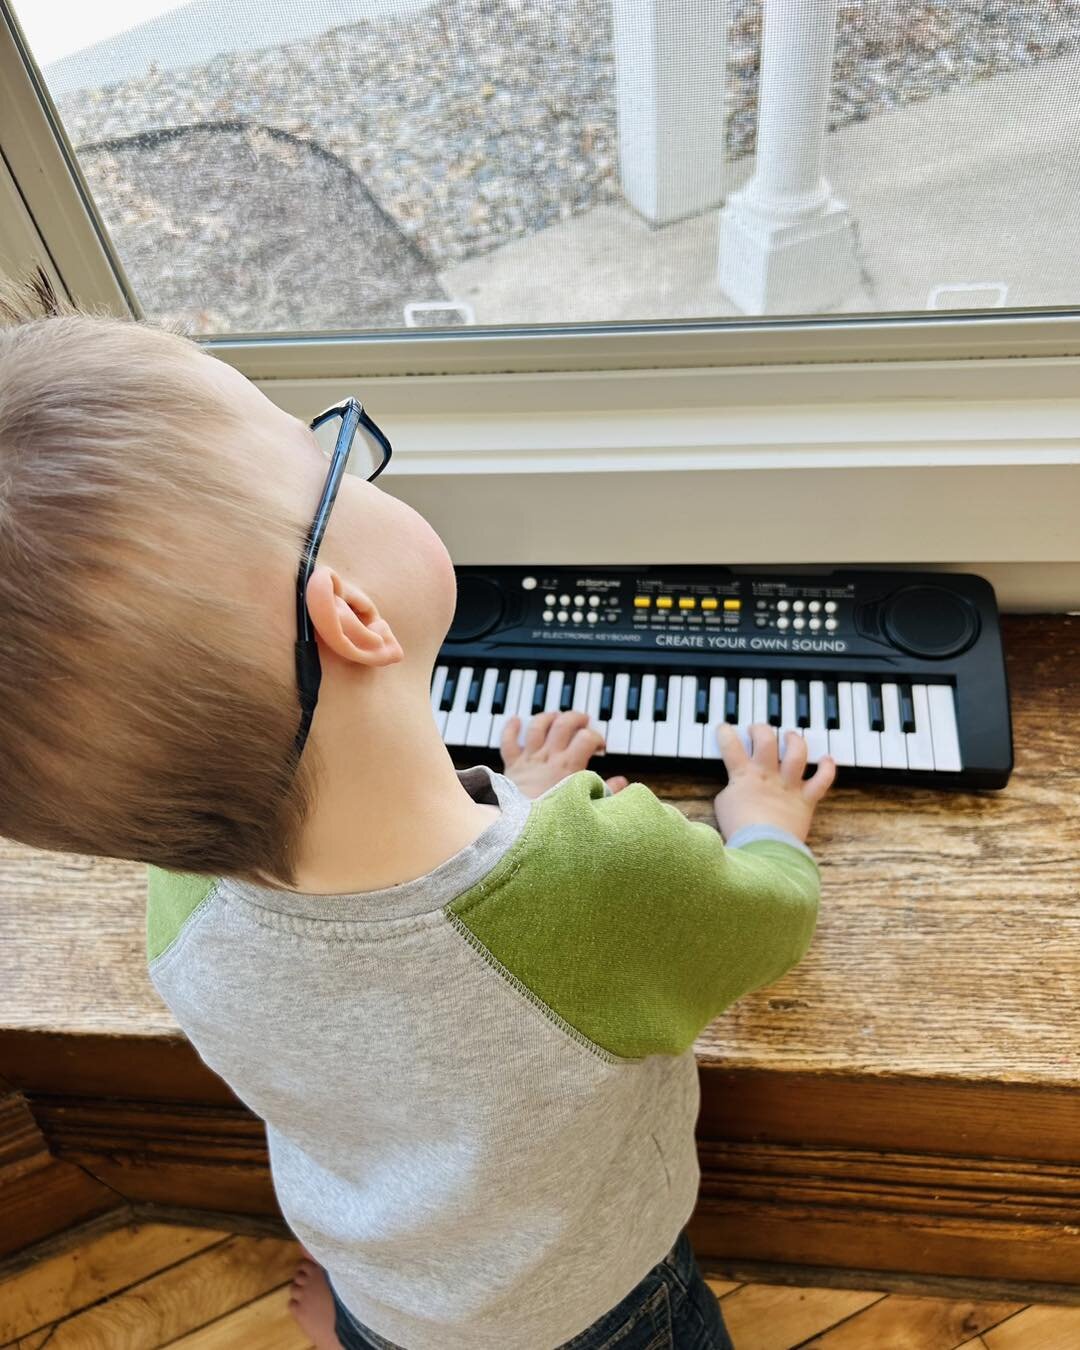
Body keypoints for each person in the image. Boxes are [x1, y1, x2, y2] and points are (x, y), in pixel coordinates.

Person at [0, 276, 835, 1350]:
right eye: (331, 457)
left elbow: (395, 986)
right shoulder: (603, 879)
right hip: (601, 1311)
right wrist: (765, 823)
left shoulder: (183, 904)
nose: (352, 456)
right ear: (349, 610)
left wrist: (515, 800)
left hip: (389, 1288)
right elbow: (767, 920)